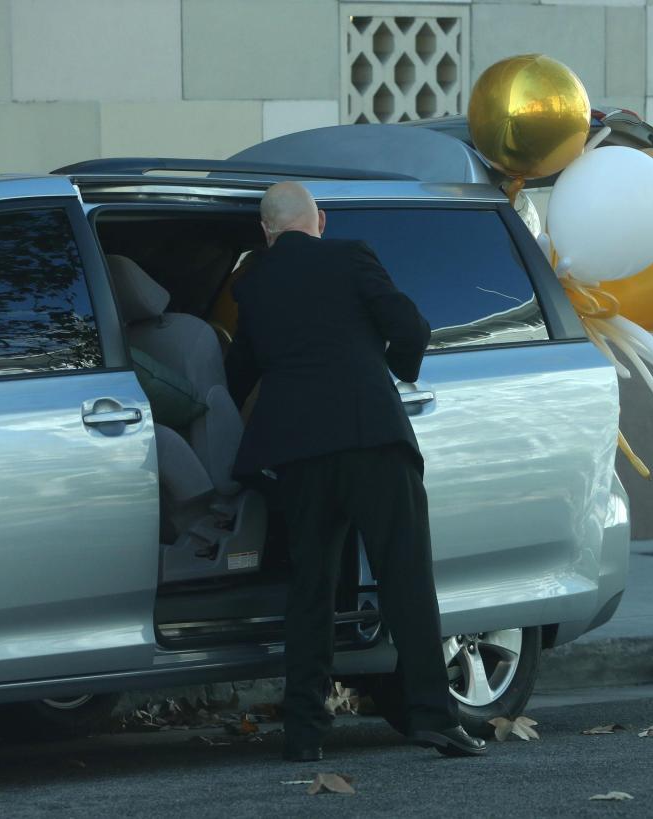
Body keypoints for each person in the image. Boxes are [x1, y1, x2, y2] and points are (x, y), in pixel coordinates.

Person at [224, 182, 486, 761]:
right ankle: (433, 719)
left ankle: (304, 733)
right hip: (373, 439)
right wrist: (390, 369)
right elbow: (411, 329)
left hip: (297, 455)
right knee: (406, 580)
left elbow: (237, 371)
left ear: (266, 233)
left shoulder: (255, 284)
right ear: (319, 219)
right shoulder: (350, 254)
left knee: (311, 589)